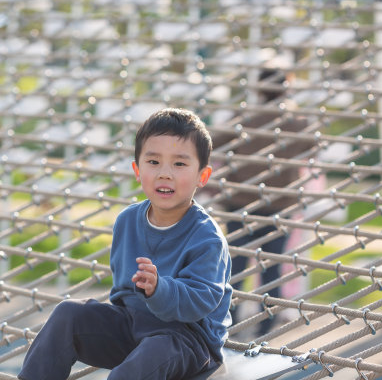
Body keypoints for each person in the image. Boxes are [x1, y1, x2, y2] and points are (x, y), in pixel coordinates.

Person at [18, 108, 232, 380]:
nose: (165, 173)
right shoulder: (128, 221)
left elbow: (202, 300)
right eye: (153, 162)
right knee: (68, 314)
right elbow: (121, 292)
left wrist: (159, 289)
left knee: (132, 370)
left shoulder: (206, 237)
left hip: (187, 341)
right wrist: (113, 324)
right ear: (137, 170)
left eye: (179, 164)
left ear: (203, 176)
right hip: (134, 325)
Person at [212, 66, 310, 336]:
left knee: (236, 267)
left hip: (241, 203)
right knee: (271, 269)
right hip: (280, 204)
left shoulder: (244, 117)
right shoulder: (297, 121)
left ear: (258, 88)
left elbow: (215, 141)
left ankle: (227, 324)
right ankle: (266, 329)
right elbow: (310, 147)